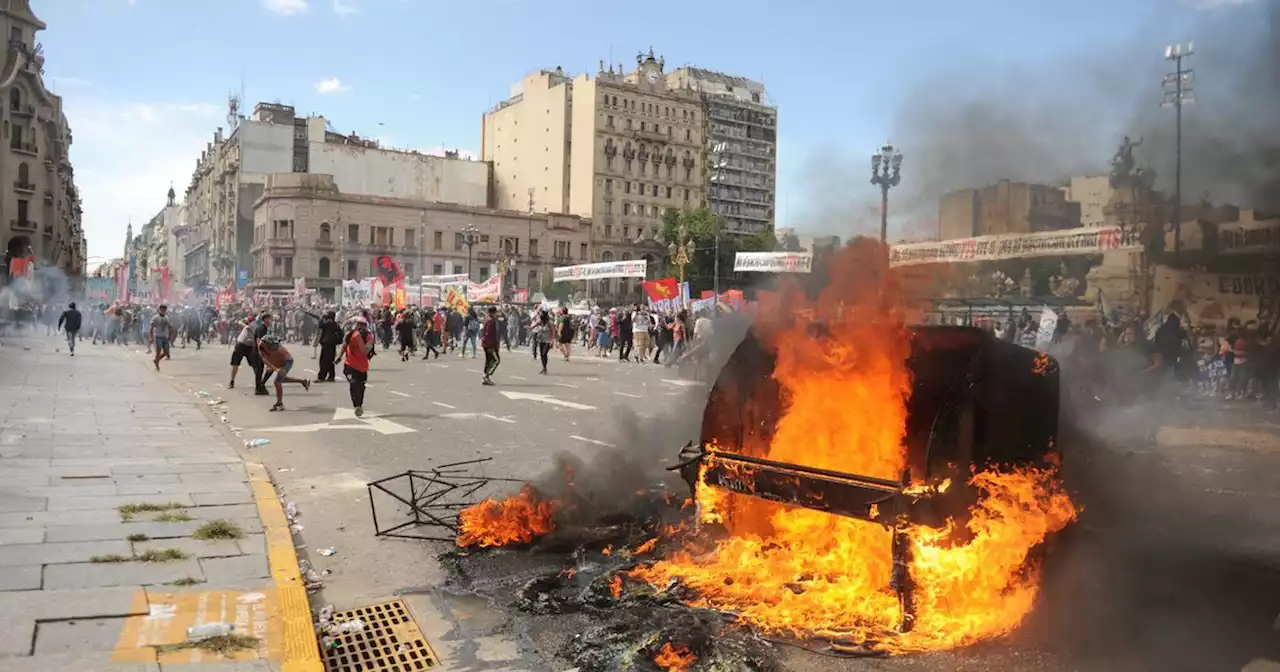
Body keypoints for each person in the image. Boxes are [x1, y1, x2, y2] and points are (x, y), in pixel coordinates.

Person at [258, 334, 311, 411]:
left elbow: (287, 358)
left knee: (277, 381)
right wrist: (274, 368)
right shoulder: (261, 347)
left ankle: (279, 403)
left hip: (287, 362)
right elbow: (264, 359)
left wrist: (278, 369)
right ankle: (303, 381)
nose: (273, 347)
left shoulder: (279, 348)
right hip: (276, 362)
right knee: (281, 379)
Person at [337, 315, 374, 417]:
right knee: (354, 385)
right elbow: (344, 345)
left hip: (362, 367)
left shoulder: (368, 336)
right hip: (350, 365)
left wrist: (361, 342)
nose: (360, 327)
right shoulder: (349, 335)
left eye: (362, 325)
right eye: (358, 325)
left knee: (361, 387)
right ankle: (356, 405)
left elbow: (366, 350)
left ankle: (359, 405)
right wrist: (339, 357)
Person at [315, 311, 343, 382]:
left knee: (324, 361)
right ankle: (331, 376)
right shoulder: (335, 324)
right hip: (332, 344)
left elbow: (320, 326)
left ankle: (321, 377)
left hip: (327, 343)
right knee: (330, 361)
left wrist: (321, 318)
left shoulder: (327, 323)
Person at [148, 304, 176, 371]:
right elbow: (151, 328)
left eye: (164, 310)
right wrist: (150, 337)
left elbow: (170, 327)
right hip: (157, 337)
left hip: (165, 337)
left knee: (166, 352)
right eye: (162, 310)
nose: (163, 311)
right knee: (158, 351)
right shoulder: (155, 318)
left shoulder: (167, 318)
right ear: (159, 310)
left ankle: (156, 360)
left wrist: (171, 335)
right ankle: (157, 365)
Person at [481, 305, 501, 386]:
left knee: (489, 360)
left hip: (487, 344)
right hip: (490, 345)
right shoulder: (490, 321)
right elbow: (488, 334)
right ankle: (486, 376)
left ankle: (485, 376)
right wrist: (490, 346)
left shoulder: (487, 319)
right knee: (496, 360)